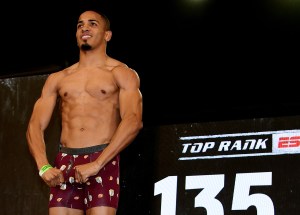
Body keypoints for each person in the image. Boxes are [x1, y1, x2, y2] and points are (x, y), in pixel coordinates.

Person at [26, 9, 143, 215]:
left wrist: (97, 163)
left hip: (103, 158)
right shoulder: (59, 78)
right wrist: (43, 166)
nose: (85, 28)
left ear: (107, 35)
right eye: (80, 25)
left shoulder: (121, 73)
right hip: (65, 161)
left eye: (92, 24)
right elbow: (35, 125)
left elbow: (133, 120)